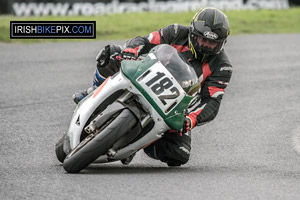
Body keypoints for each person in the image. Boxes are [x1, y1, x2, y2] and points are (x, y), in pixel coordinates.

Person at [73, 7, 233, 166]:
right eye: (202, 39)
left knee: (179, 154)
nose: (205, 45)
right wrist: (131, 50)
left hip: (173, 105)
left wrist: (191, 119)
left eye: (212, 43)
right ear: (192, 33)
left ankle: (135, 144)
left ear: (221, 43)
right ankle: (94, 91)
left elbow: (212, 101)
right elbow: (145, 40)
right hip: (144, 76)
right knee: (112, 53)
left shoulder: (222, 67)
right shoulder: (176, 32)